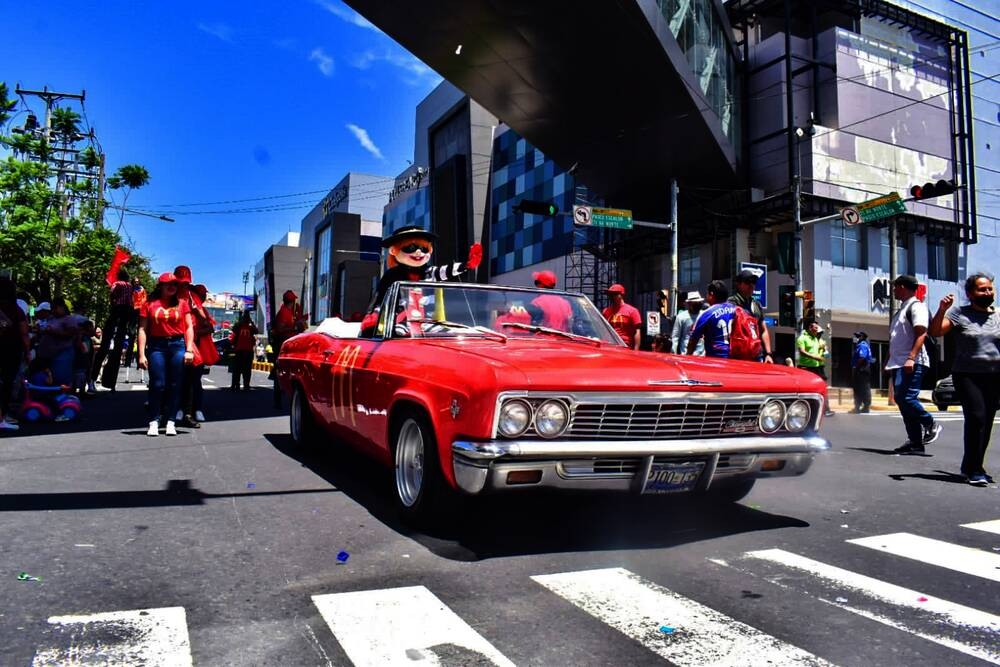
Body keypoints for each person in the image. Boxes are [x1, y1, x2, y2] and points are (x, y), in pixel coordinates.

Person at [928, 273, 999, 485]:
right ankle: (974, 469)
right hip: (967, 375)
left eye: (989, 289)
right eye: (981, 289)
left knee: (986, 423)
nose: (987, 292)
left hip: (995, 376)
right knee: (976, 418)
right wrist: (942, 309)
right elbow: (935, 331)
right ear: (970, 294)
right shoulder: (960, 314)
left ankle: (971, 466)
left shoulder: (997, 316)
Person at [361, 226, 482, 336]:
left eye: (424, 248)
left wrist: (466, 265)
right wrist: (374, 317)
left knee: (451, 334)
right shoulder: (392, 275)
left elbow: (446, 271)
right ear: (394, 251)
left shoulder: (430, 271)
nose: (418, 252)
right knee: (400, 332)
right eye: (411, 248)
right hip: (400, 321)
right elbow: (381, 299)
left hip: (427, 321)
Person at [887, 274, 941, 454]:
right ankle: (916, 443)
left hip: (912, 361)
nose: (893, 290)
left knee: (907, 398)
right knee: (903, 402)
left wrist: (911, 357)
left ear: (902, 286)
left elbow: (921, 333)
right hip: (899, 362)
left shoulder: (917, 307)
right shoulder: (901, 310)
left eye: (895, 286)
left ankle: (930, 423)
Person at [137, 272, 195, 437]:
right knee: (158, 384)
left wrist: (189, 349)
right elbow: (142, 329)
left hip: (178, 345)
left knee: (176, 384)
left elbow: (189, 327)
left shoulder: (183, 304)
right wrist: (141, 354)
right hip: (157, 346)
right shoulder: (148, 304)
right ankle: (154, 420)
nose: (172, 287)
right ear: (160, 285)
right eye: (168, 284)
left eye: (175, 284)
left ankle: (171, 421)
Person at [91, 268, 134, 391]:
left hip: (118, 309)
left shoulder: (117, 284)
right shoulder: (130, 285)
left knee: (107, 340)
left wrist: (113, 303)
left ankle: (94, 379)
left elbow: (112, 295)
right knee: (120, 339)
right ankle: (111, 383)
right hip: (127, 311)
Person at [0, 277, 30, 431]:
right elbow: (24, 333)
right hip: (11, 350)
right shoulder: (16, 309)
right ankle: (1, 418)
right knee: (6, 384)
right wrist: (27, 351)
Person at [728, 269, 774, 363]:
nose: (751, 285)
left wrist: (768, 354)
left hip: (757, 354)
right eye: (747, 282)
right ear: (739, 284)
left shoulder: (757, 304)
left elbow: (764, 330)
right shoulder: (731, 303)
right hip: (738, 356)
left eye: (753, 282)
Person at [270, 289, 306, 408]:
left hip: (289, 347)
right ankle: (278, 399)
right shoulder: (283, 313)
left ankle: (286, 397)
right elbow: (280, 329)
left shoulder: (289, 313)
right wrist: (295, 327)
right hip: (282, 347)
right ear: (291, 301)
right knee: (279, 372)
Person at [687, 280, 737, 358]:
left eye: (707, 294)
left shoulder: (707, 314)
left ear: (711, 294)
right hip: (736, 359)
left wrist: (687, 356)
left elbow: (693, 341)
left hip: (715, 360)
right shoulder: (737, 310)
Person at [796, 321, 836, 416]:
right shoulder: (802, 338)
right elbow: (802, 352)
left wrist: (823, 349)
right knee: (805, 389)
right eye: (815, 328)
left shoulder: (816, 339)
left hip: (817, 368)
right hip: (805, 368)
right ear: (810, 328)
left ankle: (825, 410)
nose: (817, 331)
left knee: (822, 387)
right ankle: (803, 410)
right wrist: (815, 357)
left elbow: (825, 354)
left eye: (818, 330)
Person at [602, 284, 641, 350]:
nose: (611, 296)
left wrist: (636, 349)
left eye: (614, 294)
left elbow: (637, 331)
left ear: (621, 295)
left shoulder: (632, 311)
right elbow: (603, 329)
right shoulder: (606, 311)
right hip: (609, 345)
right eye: (610, 294)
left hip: (625, 345)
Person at [230, 310, 257, 391]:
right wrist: (251, 322)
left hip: (240, 350)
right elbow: (256, 331)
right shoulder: (249, 327)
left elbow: (234, 329)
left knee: (237, 369)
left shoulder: (240, 327)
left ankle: (236, 384)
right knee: (246, 369)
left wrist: (244, 321)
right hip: (247, 351)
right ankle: (245, 385)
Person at [672, 291, 705, 356]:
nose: (698, 304)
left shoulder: (704, 315)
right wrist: (674, 353)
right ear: (689, 304)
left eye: (699, 302)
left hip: (702, 356)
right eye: (696, 303)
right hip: (686, 355)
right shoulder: (681, 317)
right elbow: (675, 337)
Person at [851, 331, 874, 413]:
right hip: (864, 368)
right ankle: (865, 406)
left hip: (861, 369)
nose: (855, 338)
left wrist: (856, 367)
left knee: (860, 388)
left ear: (862, 337)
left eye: (857, 336)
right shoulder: (864, 345)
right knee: (864, 388)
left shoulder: (862, 345)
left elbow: (862, 357)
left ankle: (859, 406)